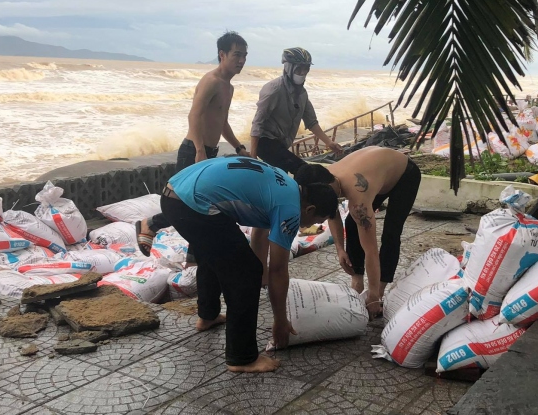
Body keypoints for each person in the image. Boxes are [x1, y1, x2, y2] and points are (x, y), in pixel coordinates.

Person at [159, 156, 338, 372]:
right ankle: (242, 358)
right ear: (309, 209)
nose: (308, 226)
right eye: (316, 221)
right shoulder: (290, 210)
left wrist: (261, 274)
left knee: (215, 253)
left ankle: (208, 316)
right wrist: (280, 320)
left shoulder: (287, 186)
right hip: (193, 204)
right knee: (245, 274)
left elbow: (259, 234)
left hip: (176, 191)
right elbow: (279, 269)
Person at [137, 31, 251, 256]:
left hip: (208, 152)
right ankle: (150, 224)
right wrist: (199, 150)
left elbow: (222, 122)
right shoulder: (211, 81)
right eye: (237, 55)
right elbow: (194, 116)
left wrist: (239, 148)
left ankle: (194, 255)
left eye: (245, 56)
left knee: (201, 206)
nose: (241, 61)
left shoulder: (229, 87)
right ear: (222, 54)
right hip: (193, 151)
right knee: (182, 204)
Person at [294, 147, 421, 319]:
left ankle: (379, 291)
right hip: (377, 171)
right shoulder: (321, 177)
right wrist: (340, 249)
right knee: (352, 223)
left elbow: (370, 249)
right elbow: (331, 211)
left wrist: (374, 294)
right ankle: (357, 280)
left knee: (391, 232)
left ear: (328, 189)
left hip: (404, 174)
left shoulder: (358, 196)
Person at [249, 47, 344, 176]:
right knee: (303, 170)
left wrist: (329, 142)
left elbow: (311, 122)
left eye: (306, 69)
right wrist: (252, 157)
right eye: (299, 68)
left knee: (282, 174)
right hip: (265, 142)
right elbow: (257, 123)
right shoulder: (274, 89)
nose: (303, 72)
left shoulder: (302, 94)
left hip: (281, 145)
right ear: (289, 68)